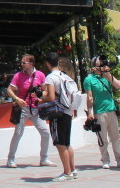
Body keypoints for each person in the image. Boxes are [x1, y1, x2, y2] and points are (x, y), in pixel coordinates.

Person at [5, 54, 55, 169]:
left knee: (45, 132)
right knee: (18, 133)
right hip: (23, 109)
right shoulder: (18, 76)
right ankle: (10, 159)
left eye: (24, 62)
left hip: (36, 109)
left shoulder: (40, 75)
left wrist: (40, 96)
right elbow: (9, 90)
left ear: (31, 64)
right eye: (22, 62)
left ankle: (44, 158)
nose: (22, 64)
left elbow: (45, 90)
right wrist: (17, 99)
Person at [84, 56, 120, 170]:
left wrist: (107, 73)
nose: (103, 66)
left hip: (111, 110)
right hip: (99, 111)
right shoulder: (89, 80)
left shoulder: (107, 77)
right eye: (100, 64)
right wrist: (90, 112)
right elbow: (90, 97)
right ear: (94, 67)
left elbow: (117, 84)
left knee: (115, 137)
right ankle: (105, 159)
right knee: (102, 138)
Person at [42, 52, 77, 182]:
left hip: (58, 113)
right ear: (58, 62)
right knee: (67, 143)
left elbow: (51, 97)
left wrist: (41, 98)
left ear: (48, 63)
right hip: (67, 111)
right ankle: (72, 170)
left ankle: (67, 172)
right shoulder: (64, 75)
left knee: (60, 144)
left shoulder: (51, 77)